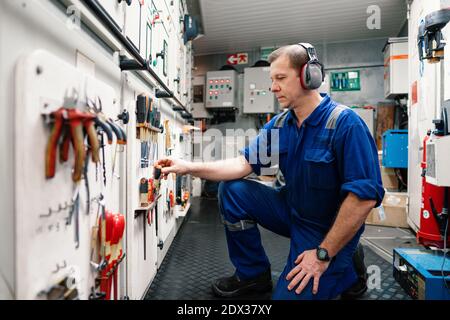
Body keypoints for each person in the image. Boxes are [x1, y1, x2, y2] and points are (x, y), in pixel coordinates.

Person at [156, 43, 384, 300]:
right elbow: (242, 165)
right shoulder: (280, 125)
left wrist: (323, 254)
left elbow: (363, 199)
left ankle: (347, 261)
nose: (273, 87)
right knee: (233, 190)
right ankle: (253, 274)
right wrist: (187, 167)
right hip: (292, 209)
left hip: (326, 229)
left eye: (280, 78)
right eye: (272, 79)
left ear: (309, 76)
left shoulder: (345, 124)